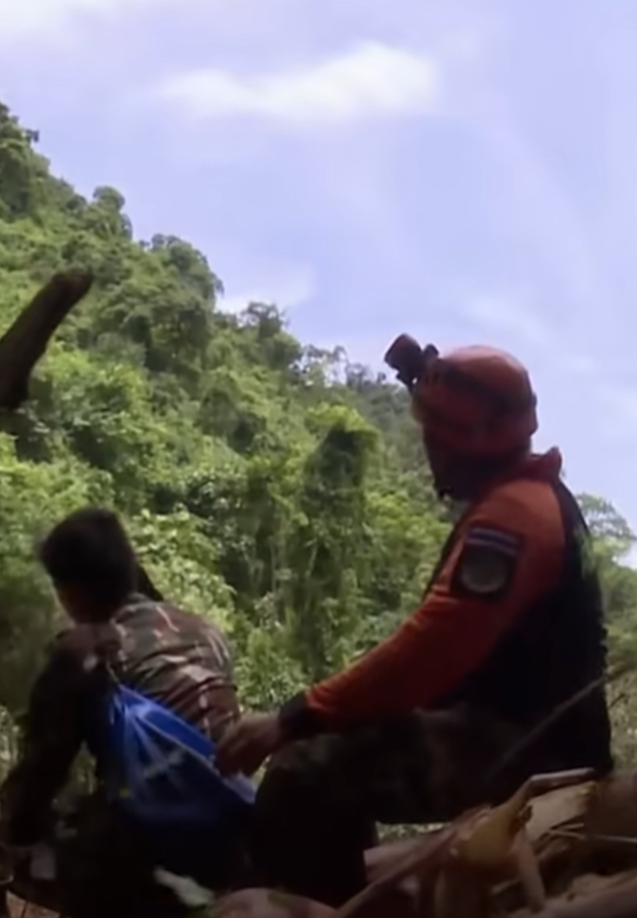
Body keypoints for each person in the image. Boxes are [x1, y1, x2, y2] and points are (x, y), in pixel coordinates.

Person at [215, 335, 615, 906]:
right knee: (339, 752)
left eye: (434, 437)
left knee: (307, 771)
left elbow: (430, 652)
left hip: (530, 746)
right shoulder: (534, 500)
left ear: (470, 444)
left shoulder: (514, 518)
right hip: (541, 730)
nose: (427, 450)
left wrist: (295, 717)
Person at [0, 508, 248, 918]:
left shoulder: (84, 653)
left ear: (71, 591)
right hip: (232, 850)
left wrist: (19, 822)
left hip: (143, 865)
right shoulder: (206, 633)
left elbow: (34, 788)